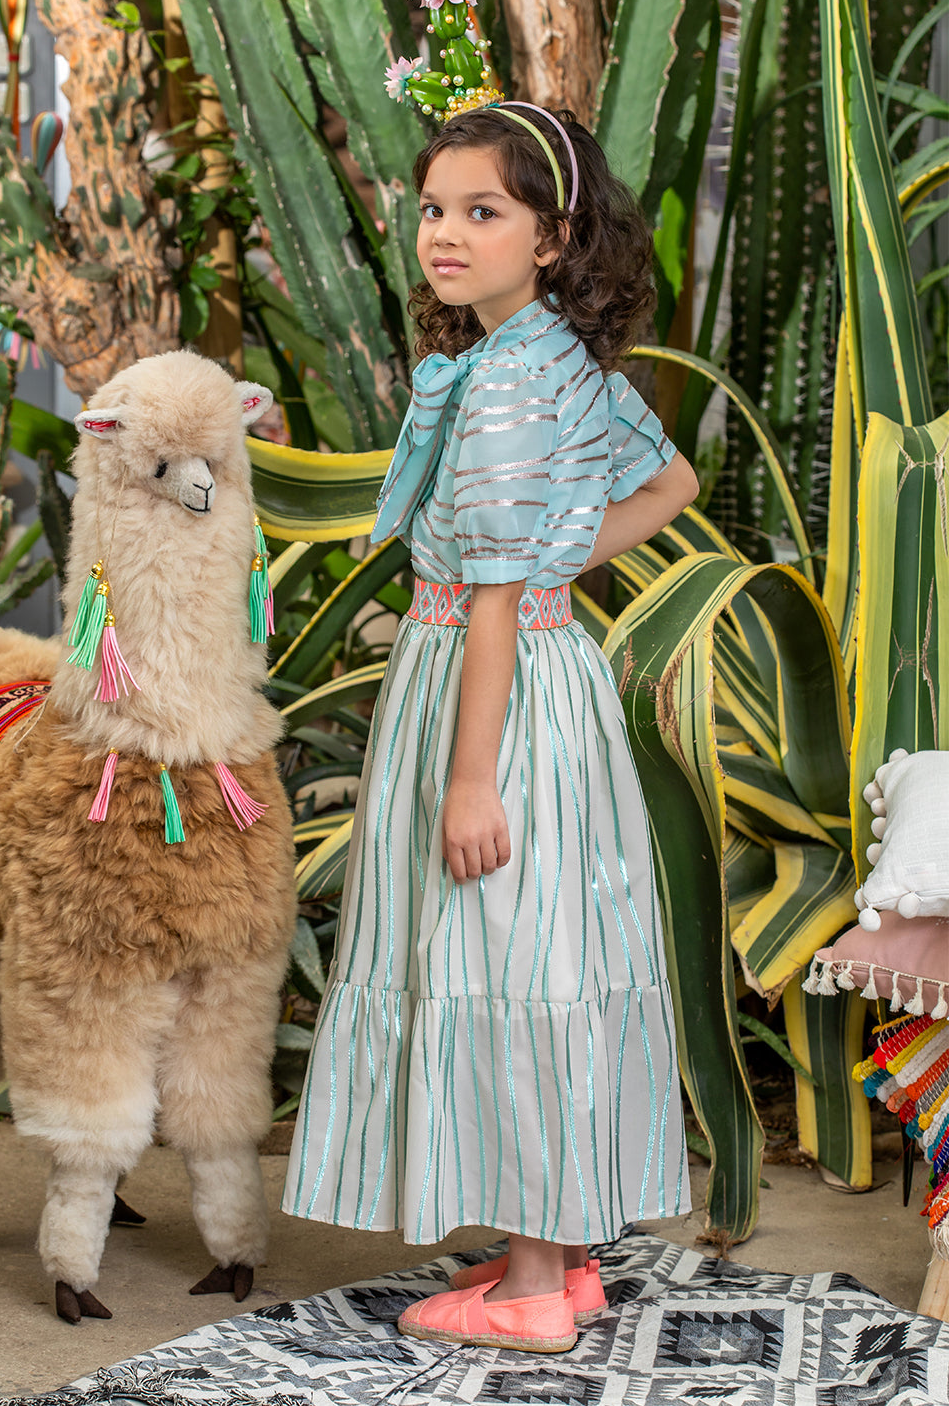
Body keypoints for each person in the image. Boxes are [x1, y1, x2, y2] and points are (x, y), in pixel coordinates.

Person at [282, 91, 699, 1353]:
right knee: (545, 957)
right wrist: (561, 558)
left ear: (553, 237)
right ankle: (561, 1259)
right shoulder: (552, 359)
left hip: (490, 694)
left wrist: (472, 779)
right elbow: (670, 481)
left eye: (483, 212)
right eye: (432, 210)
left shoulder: (510, 387)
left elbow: (494, 602)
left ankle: (523, 1291)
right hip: (544, 680)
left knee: (496, 957)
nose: (444, 235)